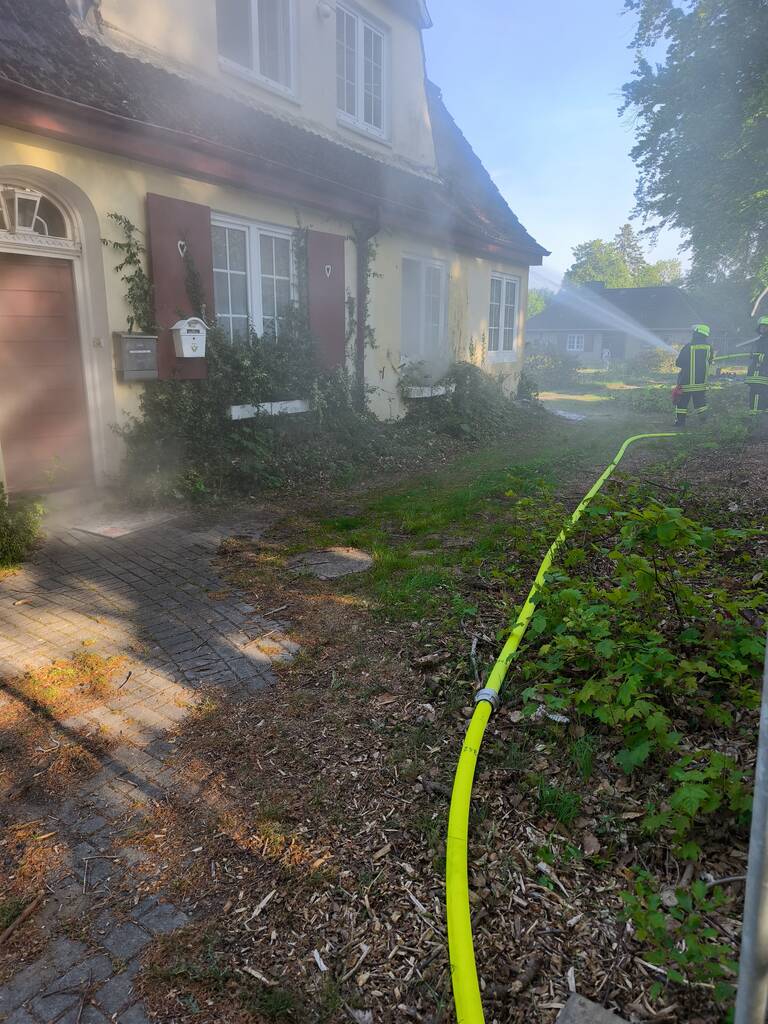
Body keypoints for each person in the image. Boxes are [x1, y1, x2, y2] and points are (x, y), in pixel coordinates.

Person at [674, 324, 713, 428]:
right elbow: (709, 361)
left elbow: (679, 363)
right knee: (701, 403)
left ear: (697, 333)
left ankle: (680, 423)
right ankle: (704, 423)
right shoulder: (709, 348)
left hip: (686, 381)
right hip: (701, 382)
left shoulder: (689, 347)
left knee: (682, 403)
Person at [746, 315, 768, 428]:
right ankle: (761, 422)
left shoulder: (764, 341)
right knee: (762, 396)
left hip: (760, 374)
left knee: (757, 396)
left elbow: (762, 356)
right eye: (762, 326)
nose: (763, 328)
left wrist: (757, 356)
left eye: (766, 326)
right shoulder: (760, 341)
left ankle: (756, 422)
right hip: (760, 374)